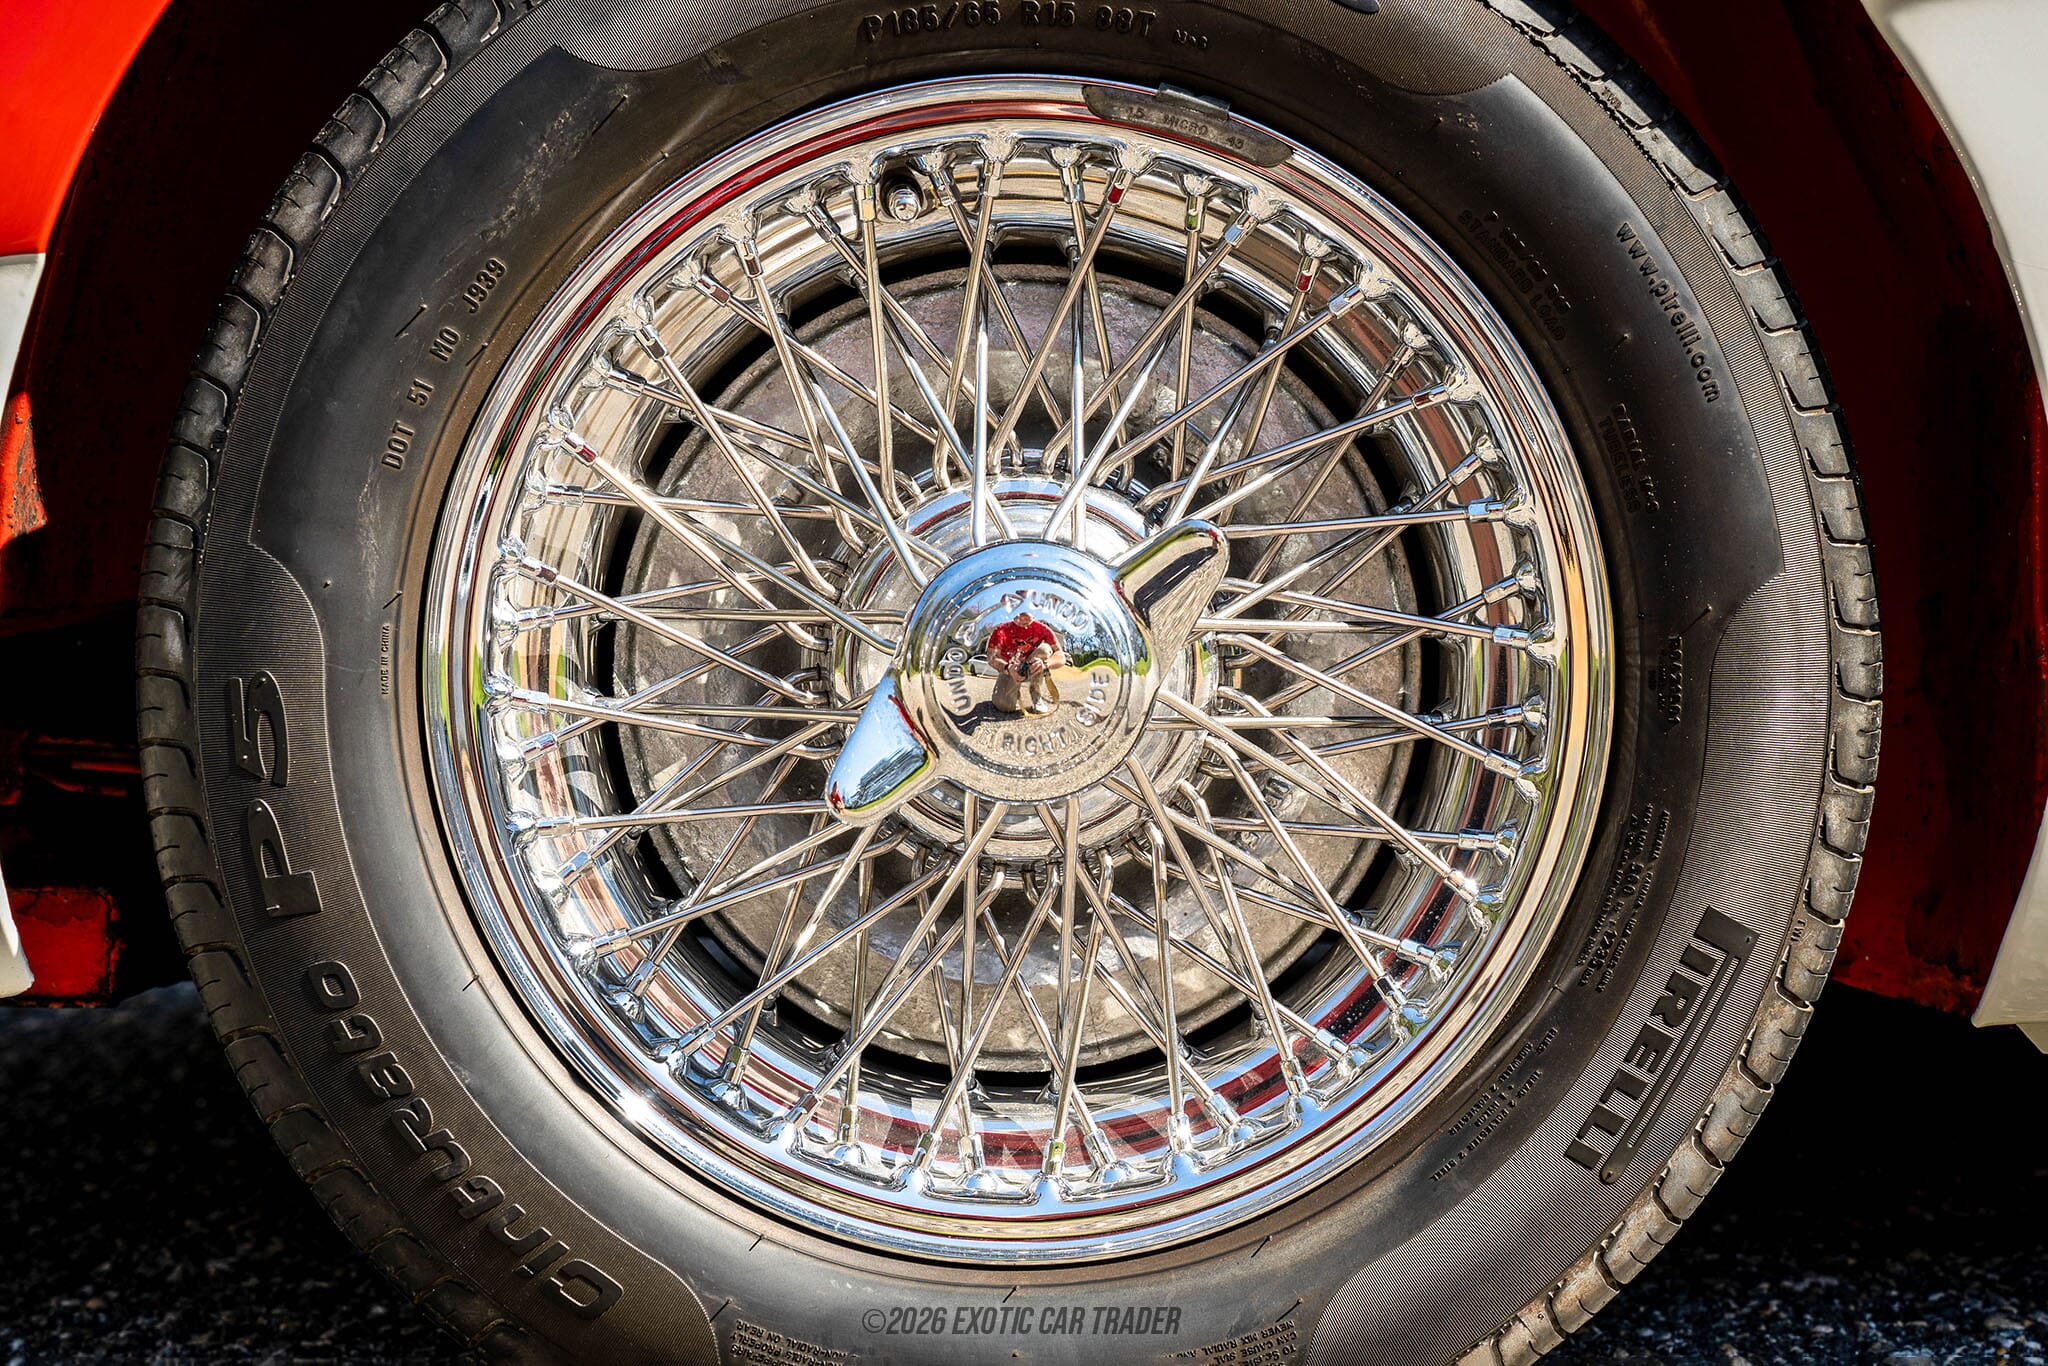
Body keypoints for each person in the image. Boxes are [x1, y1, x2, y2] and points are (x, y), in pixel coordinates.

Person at [986, 611, 1066, 714]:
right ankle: (1013, 689)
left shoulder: (1043, 629)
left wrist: (1046, 664)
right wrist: (1007, 667)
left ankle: (1035, 694)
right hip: (1009, 667)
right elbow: (991, 657)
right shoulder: (1001, 630)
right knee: (1004, 707)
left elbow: (1060, 655)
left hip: (1030, 663)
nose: (1024, 622)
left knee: (1044, 649)